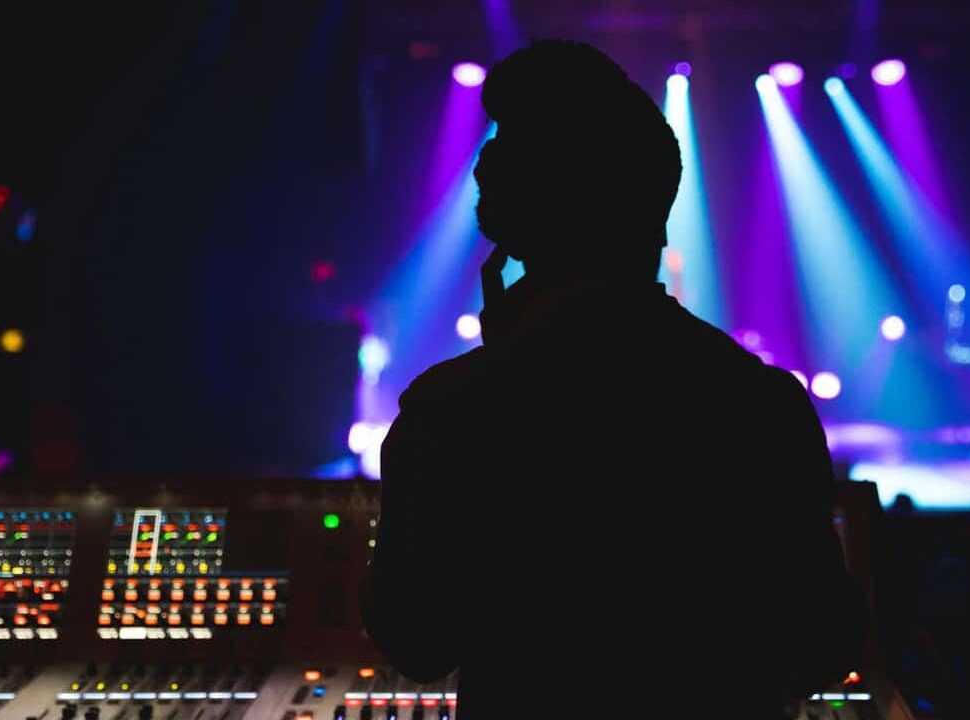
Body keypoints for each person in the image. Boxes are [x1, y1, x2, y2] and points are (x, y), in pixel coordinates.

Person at [363, 40, 866, 719]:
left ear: (507, 232)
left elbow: (416, 641)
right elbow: (823, 647)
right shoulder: (763, 403)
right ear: (654, 221)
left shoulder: (451, 410)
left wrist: (505, 373)